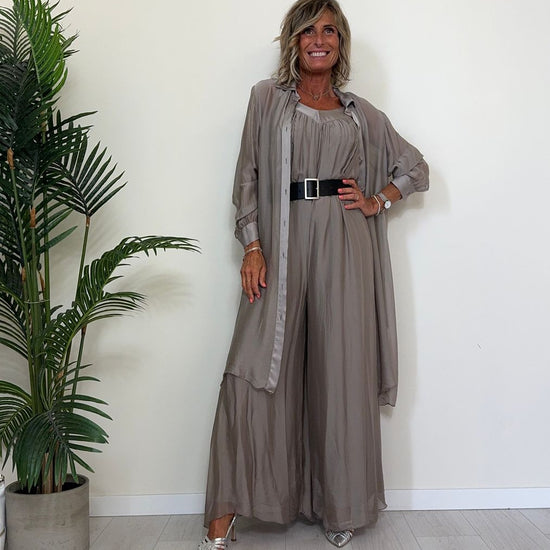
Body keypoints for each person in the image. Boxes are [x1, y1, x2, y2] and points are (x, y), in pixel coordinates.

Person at [198, 0, 429, 548]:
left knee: (338, 372)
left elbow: (416, 167)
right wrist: (253, 247)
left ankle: (339, 503)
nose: (318, 39)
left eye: (329, 30)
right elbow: (247, 178)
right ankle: (226, 509)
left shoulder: (360, 114)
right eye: (308, 31)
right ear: (294, 41)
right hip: (280, 243)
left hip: (344, 245)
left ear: (340, 43)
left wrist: (377, 199)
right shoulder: (266, 99)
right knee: (252, 366)